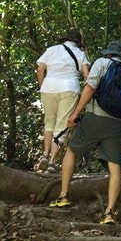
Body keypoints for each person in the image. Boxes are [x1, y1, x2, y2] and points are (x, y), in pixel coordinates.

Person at [50, 40, 121, 225]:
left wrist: (75, 114)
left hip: (95, 118)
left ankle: (64, 196)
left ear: (109, 54)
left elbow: (90, 88)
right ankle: (109, 213)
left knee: (72, 151)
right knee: (115, 166)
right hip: (119, 126)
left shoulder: (102, 63)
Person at [35, 29, 90, 173]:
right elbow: (87, 75)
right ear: (78, 42)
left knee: (49, 123)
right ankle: (52, 162)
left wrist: (43, 86)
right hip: (69, 89)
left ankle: (45, 155)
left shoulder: (52, 50)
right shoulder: (80, 53)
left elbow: (40, 69)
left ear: (65, 39)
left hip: (48, 88)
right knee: (61, 126)